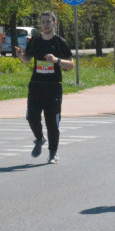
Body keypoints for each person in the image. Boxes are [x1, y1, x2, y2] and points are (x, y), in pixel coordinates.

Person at [16, 11, 74, 163]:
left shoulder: (60, 42)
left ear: (54, 23)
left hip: (53, 87)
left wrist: (57, 60)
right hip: (36, 86)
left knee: (52, 122)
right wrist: (21, 56)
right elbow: (27, 59)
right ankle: (39, 139)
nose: (45, 25)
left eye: (48, 22)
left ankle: (53, 153)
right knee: (31, 117)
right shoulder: (35, 41)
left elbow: (71, 65)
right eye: (43, 22)